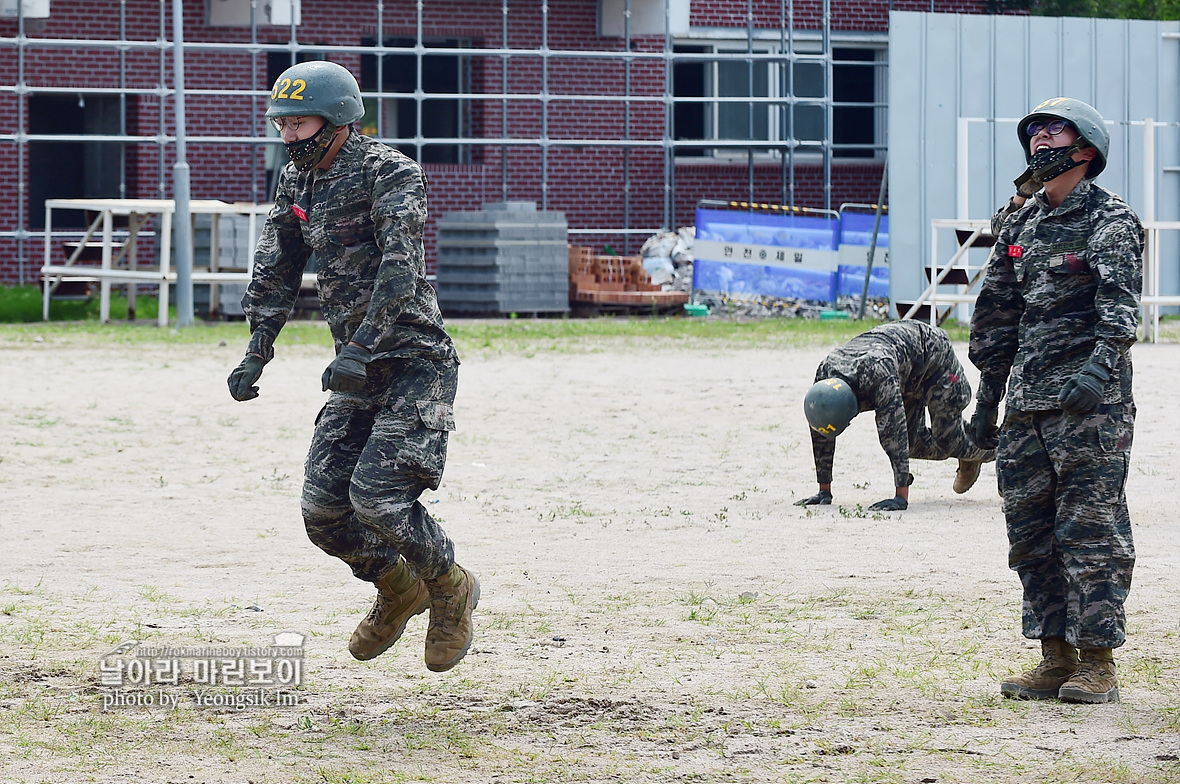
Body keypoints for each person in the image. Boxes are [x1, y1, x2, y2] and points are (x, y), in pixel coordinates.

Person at [227, 61, 479, 673]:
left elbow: (401, 262)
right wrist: (258, 347)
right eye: (281, 124)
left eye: (300, 122)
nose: (289, 135)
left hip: (413, 362)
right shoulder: (298, 181)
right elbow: (278, 264)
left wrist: (363, 346)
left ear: (338, 119)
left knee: (376, 499)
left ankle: (450, 587)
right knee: (323, 513)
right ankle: (399, 589)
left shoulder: (388, 171)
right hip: (357, 369)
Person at [968, 97, 1142, 704]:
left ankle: (1098, 661)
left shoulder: (1110, 220)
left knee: (1090, 529)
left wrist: (1099, 371)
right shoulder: (1021, 222)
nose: (1040, 137)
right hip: (1026, 405)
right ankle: (1055, 656)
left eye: (1053, 128)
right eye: (1033, 130)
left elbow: (1120, 310)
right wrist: (987, 401)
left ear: (1086, 149)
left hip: (1089, 407)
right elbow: (997, 315)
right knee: (1031, 531)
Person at [796, 320, 995, 512]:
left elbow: (893, 433)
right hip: (904, 368)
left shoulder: (877, 375)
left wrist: (900, 497)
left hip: (934, 357)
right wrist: (824, 490)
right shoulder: (825, 375)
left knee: (948, 440)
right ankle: (968, 450)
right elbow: (821, 431)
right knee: (913, 444)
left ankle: (997, 450)